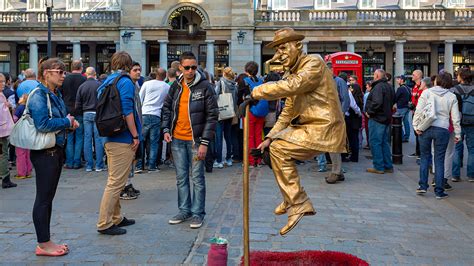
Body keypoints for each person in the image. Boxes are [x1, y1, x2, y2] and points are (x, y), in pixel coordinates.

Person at [246, 28, 346, 235]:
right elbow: (288, 112)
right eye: (276, 50)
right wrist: (269, 138)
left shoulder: (313, 63)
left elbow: (295, 85)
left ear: (298, 46)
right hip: (307, 126)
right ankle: (290, 197)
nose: (279, 55)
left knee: (280, 150)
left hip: (323, 126)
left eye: (283, 48)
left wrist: (257, 92)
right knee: (274, 148)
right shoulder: (292, 72)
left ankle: (298, 202)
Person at [29, 58, 79, 256]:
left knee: (47, 198)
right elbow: (42, 124)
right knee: (43, 198)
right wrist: (66, 122)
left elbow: (59, 120)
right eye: (59, 71)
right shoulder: (39, 95)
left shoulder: (54, 94)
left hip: (55, 149)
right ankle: (43, 243)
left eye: (63, 72)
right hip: (44, 152)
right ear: (46, 73)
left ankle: (46, 240)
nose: (63, 75)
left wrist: (69, 124)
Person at [162, 51, 218, 229]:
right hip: (177, 139)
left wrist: (205, 142)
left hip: (196, 140)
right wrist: (165, 129)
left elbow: (212, 116)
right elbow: (167, 108)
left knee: (197, 178)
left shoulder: (205, 86)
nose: (191, 71)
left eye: (194, 67)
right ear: (180, 68)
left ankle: (197, 213)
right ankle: (184, 210)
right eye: (187, 68)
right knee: (181, 177)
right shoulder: (176, 86)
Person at [96, 51, 142, 235]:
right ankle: (105, 222)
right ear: (128, 64)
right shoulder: (125, 82)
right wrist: (135, 135)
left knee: (116, 180)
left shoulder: (107, 81)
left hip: (109, 136)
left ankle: (116, 217)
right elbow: (128, 112)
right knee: (115, 183)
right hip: (122, 138)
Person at [413, 72, 461, 199]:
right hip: (443, 129)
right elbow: (455, 118)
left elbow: (418, 111)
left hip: (426, 127)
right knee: (439, 160)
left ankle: (422, 186)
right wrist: (457, 133)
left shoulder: (427, 93)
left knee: (424, 158)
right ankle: (439, 191)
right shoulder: (452, 96)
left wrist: (415, 126)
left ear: (436, 81)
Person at [137, 68, 170, 171]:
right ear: (165, 76)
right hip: (156, 115)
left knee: (141, 140)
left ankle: (139, 165)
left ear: (156, 74)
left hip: (145, 113)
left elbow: (139, 98)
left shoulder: (147, 84)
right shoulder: (167, 87)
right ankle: (152, 166)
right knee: (154, 142)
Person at [120, 61, 143, 200]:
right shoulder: (128, 85)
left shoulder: (136, 85)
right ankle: (124, 186)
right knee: (127, 159)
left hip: (136, 127)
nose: (138, 72)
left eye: (139, 69)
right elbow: (128, 110)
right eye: (135, 70)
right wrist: (135, 133)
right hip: (129, 129)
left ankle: (128, 183)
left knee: (133, 159)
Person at [365, 69, 395, 174]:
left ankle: (378, 166)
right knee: (384, 143)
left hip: (377, 118)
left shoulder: (378, 87)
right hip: (386, 118)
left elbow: (377, 102)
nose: (373, 76)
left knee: (375, 143)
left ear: (377, 76)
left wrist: (369, 111)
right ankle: (388, 165)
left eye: (374, 75)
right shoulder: (389, 86)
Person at [75, 67, 105, 172]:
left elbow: (78, 104)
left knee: (87, 139)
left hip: (86, 113)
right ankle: (99, 165)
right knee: (98, 139)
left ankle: (89, 165)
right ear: (95, 74)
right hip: (97, 113)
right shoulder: (99, 85)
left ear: (86, 74)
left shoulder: (82, 86)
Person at [326, 63, 349, 183]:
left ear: (331, 70)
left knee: (333, 144)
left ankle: (335, 172)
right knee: (330, 144)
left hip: (336, 117)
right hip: (328, 116)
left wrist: (341, 115)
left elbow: (346, 99)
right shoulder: (326, 81)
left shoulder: (339, 81)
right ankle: (338, 172)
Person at [61, 60, 86, 169]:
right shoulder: (84, 79)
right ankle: (77, 162)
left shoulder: (65, 79)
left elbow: (61, 94)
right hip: (80, 110)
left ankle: (69, 162)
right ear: (81, 68)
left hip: (67, 110)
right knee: (80, 136)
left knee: (69, 137)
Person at [451, 67, 474, 182]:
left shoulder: (455, 90)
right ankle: (471, 175)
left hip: (458, 122)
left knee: (457, 148)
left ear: (461, 77)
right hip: (472, 122)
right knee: (472, 149)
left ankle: (455, 175)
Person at [214, 67, 238, 168]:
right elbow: (235, 99)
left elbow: (215, 96)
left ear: (224, 73)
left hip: (221, 113)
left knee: (218, 138)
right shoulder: (234, 85)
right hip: (230, 113)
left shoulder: (221, 82)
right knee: (228, 137)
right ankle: (228, 159)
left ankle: (219, 160)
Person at [0, 73, 17, 189]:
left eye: (3, 81)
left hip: (3, 128)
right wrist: (7, 106)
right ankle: (5, 178)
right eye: (0, 82)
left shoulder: (1, 94)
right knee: (3, 154)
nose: (3, 84)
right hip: (2, 129)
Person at [13, 94, 33, 179]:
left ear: (24, 99)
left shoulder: (20, 108)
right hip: (28, 133)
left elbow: (14, 119)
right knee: (27, 153)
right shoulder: (30, 108)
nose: (19, 98)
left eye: (21, 97)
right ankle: (28, 171)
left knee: (20, 154)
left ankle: (21, 172)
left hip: (20, 134)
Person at [409, 69, 423, 158]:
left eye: (413, 75)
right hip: (414, 112)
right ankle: (418, 151)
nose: (412, 76)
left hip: (420, 113)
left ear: (418, 76)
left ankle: (421, 152)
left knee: (419, 132)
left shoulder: (422, 87)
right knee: (415, 132)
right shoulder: (415, 86)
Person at [394, 75, 411, 142]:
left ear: (401, 80)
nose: (397, 81)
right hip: (407, 107)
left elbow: (395, 98)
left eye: (398, 79)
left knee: (398, 122)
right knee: (406, 122)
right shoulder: (408, 88)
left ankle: (402, 137)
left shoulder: (400, 89)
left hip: (401, 107)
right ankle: (406, 136)